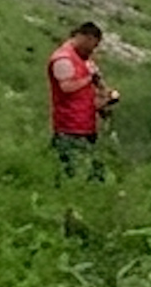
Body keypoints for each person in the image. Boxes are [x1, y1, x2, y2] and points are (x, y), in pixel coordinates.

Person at [47, 21, 119, 181]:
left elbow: (92, 89)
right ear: (86, 38)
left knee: (90, 172)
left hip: (86, 126)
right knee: (70, 172)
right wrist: (89, 78)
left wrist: (105, 97)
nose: (93, 50)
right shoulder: (62, 59)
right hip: (69, 127)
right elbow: (66, 87)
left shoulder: (85, 60)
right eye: (93, 45)